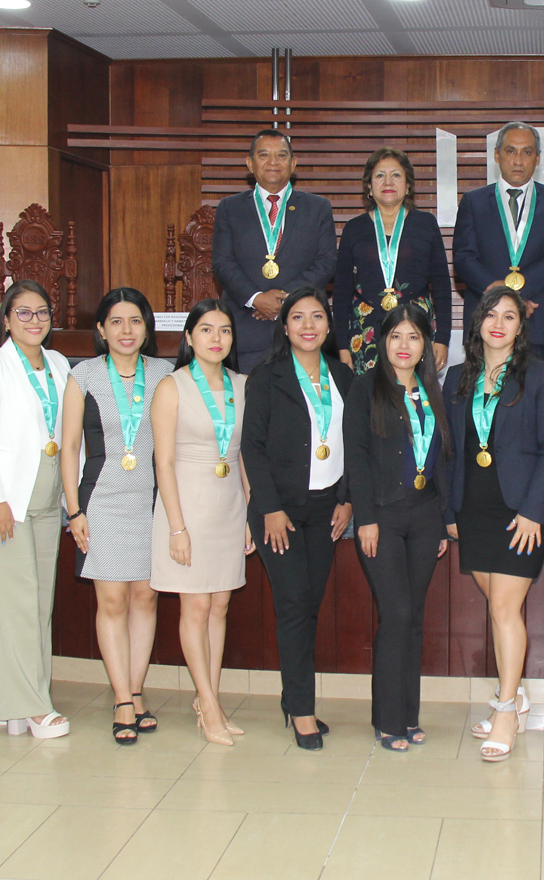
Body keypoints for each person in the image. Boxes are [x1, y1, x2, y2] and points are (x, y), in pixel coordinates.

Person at [442, 286, 544, 761]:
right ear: (477, 324)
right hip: (473, 508)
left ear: (520, 326)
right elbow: (450, 451)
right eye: (490, 315)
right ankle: (515, 692)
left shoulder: (539, 375)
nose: (498, 323)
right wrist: (451, 512)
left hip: (520, 513)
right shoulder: (457, 376)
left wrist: (535, 509)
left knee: (504, 610)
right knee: (497, 604)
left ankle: (508, 710)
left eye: (509, 316)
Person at [241, 286, 355, 750]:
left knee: (309, 604)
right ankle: (303, 710)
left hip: (327, 509)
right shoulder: (266, 377)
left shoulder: (345, 378)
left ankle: (294, 696)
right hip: (280, 513)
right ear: (284, 326)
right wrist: (268, 508)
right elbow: (253, 447)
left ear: (328, 326)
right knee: (292, 605)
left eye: (317, 317)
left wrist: (348, 500)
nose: (308, 325)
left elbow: (356, 447)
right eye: (298, 318)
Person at [59, 288, 173, 745]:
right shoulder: (82, 376)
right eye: (117, 322)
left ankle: (137, 689)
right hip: (102, 501)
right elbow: (68, 448)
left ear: (147, 329)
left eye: (136, 322)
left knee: (145, 598)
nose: (126, 331)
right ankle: (121, 697)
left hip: (152, 501)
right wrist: (74, 511)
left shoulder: (165, 374)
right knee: (112, 602)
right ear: (102, 329)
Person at [0, 279, 73, 739]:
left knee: (37, 603)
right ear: (6, 319)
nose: (35, 320)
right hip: (3, 501)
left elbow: (67, 436)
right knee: (14, 604)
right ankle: (30, 706)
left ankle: (12, 700)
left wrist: (72, 499)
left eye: (42, 312)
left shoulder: (60, 363)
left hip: (47, 497)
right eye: (23, 313)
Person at [344, 303, 451, 751]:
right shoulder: (365, 387)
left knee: (413, 617)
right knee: (396, 614)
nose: (404, 345)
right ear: (382, 342)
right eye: (395, 336)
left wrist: (445, 521)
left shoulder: (430, 389)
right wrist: (365, 518)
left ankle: (408, 715)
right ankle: (387, 719)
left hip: (425, 518)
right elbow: (358, 459)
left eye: (413, 337)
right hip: (382, 519)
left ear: (425, 343)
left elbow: (442, 458)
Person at [151, 298, 252, 747]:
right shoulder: (171, 387)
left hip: (229, 503)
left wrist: (249, 511)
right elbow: (164, 462)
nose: (217, 338)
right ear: (189, 337)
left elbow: (245, 454)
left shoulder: (242, 384)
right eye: (207, 329)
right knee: (195, 605)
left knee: (220, 606)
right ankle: (208, 705)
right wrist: (176, 527)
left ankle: (208, 697)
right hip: (186, 504)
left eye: (225, 330)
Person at [453, 121, 544, 369]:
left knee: (542, 400)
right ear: (497, 155)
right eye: (511, 151)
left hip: (541, 321)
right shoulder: (473, 202)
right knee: (485, 398)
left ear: (538, 158)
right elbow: (464, 258)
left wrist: (516, 293)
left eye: (527, 152)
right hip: (488, 321)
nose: (518, 160)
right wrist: (505, 299)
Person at [213, 129, 337, 372]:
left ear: (293, 164)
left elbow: (326, 262)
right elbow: (223, 263)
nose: (273, 162)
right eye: (264, 155)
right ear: (250, 163)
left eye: (281, 155)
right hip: (246, 330)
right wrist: (256, 299)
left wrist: (286, 298)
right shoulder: (230, 208)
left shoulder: (317, 207)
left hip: (302, 332)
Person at [333, 147, 451, 374]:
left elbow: (442, 285)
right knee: (370, 401)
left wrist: (442, 339)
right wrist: (341, 345)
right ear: (369, 186)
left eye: (396, 175)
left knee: (413, 397)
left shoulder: (425, 223)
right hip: (365, 330)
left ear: (408, 185)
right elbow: (341, 291)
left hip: (415, 326)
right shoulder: (354, 228)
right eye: (379, 175)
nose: (388, 181)